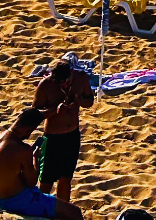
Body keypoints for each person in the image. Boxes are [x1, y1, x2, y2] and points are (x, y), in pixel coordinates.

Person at [0, 107, 83, 220]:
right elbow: (32, 182)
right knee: (75, 212)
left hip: (0, 200)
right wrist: (35, 159)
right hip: (23, 203)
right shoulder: (23, 149)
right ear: (28, 130)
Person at [32, 54, 96, 208]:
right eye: (60, 83)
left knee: (66, 178)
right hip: (52, 137)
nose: (64, 86)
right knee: (46, 180)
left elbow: (90, 101)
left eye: (67, 82)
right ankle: (42, 211)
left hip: (72, 135)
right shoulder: (45, 85)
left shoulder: (81, 78)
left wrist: (79, 101)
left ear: (71, 74)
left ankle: (62, 210)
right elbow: (34, 113)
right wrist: (54, 110)